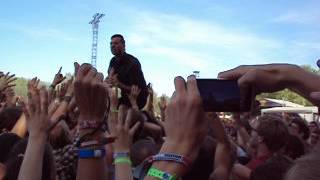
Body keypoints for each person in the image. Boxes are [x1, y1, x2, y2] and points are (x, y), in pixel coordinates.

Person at [107, 34, 148, 109]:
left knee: (119, 106)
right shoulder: (112, 61)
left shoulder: (132, 62)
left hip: (137, 99)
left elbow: (137, 90)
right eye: (111, 43)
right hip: (120, 96)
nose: (112, 46)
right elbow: (111, 81)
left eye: (116, 43)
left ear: (123, 45)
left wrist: (118, 84)